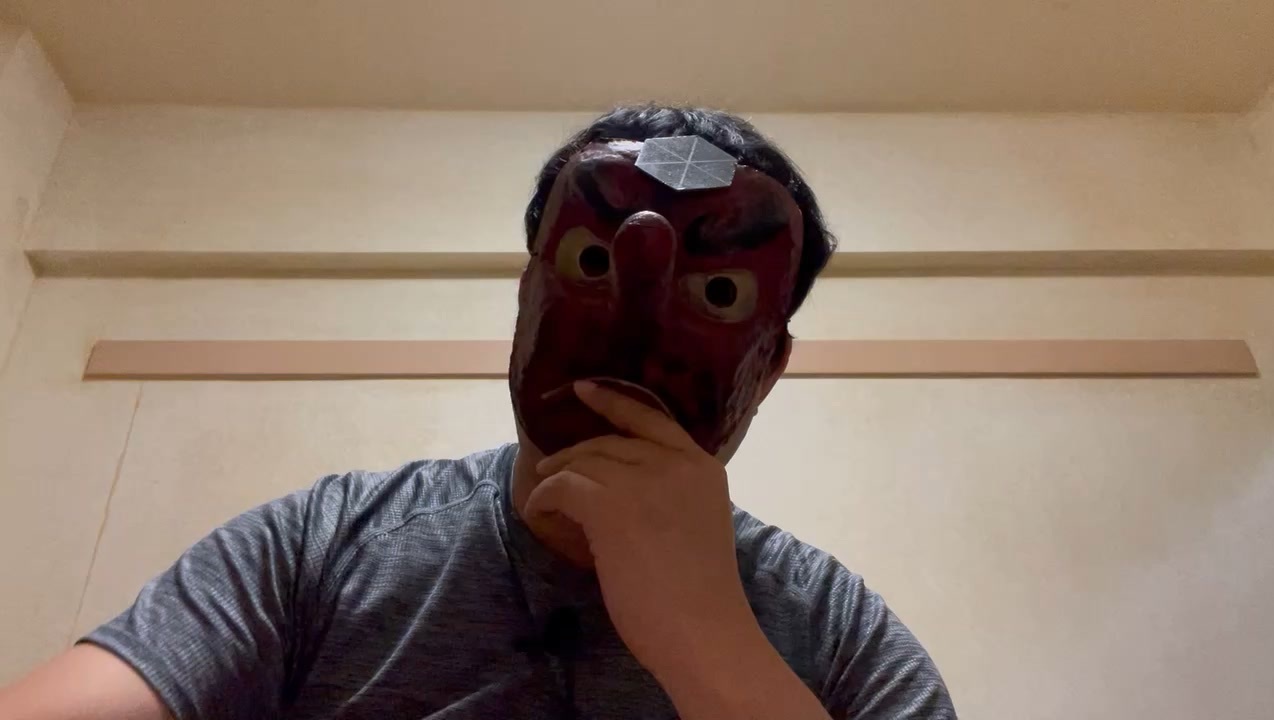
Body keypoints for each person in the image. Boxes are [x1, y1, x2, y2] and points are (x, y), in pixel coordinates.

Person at [0, 105, 956, 719]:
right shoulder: (320, 548)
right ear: (526, 294)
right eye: (591, 261)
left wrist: (711, 644)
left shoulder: (843, 639)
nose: (634, 325)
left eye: (718, 294)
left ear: (770, 365)